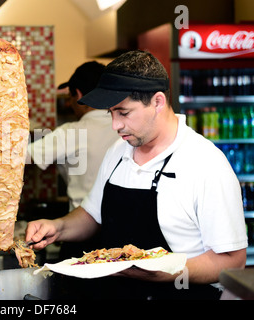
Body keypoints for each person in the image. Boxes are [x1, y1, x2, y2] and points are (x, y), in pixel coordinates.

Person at [25, 50, 248, 300]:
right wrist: (59, 226)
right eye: (111, 113)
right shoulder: (118, 151)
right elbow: (92, 214)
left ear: (158, 102)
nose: (115, 125)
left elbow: (232, 261)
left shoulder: (204, 163)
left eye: (124, 112)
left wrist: (165, 272)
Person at [27, 61, 119, 258]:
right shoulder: (125, 128)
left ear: (78, 94)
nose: (69, 103)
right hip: (120, 236)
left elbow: (20, 157)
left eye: (70, 97)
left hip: (81, 237)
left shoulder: (72, 132)